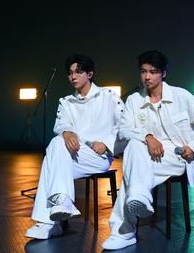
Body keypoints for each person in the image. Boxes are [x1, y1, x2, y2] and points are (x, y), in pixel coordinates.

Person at [102, 50, 194, 250]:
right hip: (146, 154)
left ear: (163, 73)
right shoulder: (134, 100)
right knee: (134, 147)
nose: (147, 77)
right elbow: (124, 130)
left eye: (152, 72)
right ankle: (139, 197)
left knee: (132, 173)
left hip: (178, 156)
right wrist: (148, 137)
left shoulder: (180, 95)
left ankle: (123, 232)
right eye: (143, 71)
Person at [25, 54, 125, 239]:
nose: (73, 76)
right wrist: (66, 132)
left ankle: (48, 222)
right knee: (56, 146)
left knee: (51, 162)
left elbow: (124, 127)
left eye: (78, 72)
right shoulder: (66, 101)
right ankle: (60, 206)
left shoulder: (108, 96)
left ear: (90, 74)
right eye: (70, 73)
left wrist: (107, 144)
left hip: (98, 156)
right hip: (74, 154)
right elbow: (62, 124)